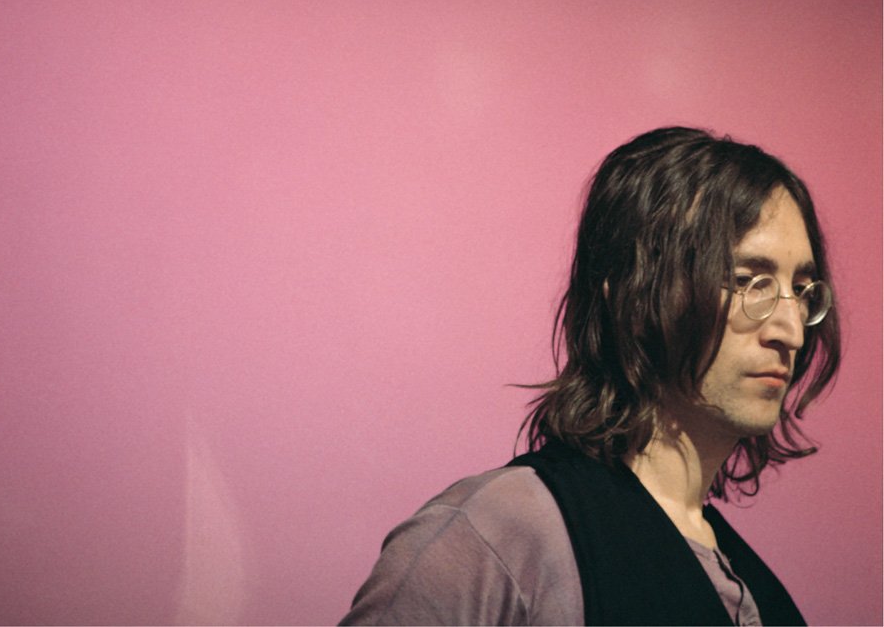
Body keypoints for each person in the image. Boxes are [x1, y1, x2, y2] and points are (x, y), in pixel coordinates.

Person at [339, 127, 840, 626]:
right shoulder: (498, 535)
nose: (791, 329)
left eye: (801, 290)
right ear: (633, 295)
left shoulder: (747, 578)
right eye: (746, 281)